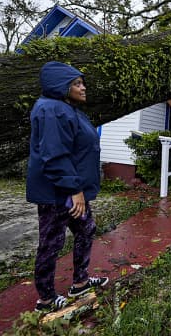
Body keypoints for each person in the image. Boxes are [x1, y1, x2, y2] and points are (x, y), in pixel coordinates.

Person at [26, 61, 108, 313]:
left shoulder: (64, 108)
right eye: (77, 83)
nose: (83, 88)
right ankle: (46, 300)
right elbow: (55, 155)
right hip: (57, 192)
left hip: (72, 188)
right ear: (60, 86)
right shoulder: (51, 110)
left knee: (86, 229)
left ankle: (80, 282)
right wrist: (74, 190)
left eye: (82, 82)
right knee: (52, 243)